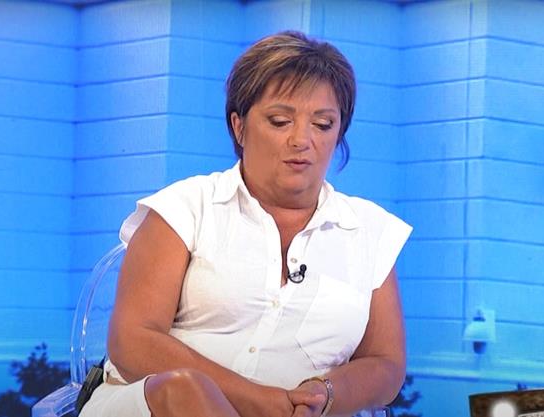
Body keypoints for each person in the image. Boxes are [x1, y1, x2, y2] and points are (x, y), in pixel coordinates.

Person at [80, 30, 412, 417]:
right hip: (157, 405)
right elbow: (132, 340)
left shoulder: (370, 230)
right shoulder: (185, 207)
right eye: (280, 121)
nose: (301, 140)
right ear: (239, 126)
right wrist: (263, 402)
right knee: (185, 390)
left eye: (323, 124)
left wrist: (323, 395)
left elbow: (385, 365)